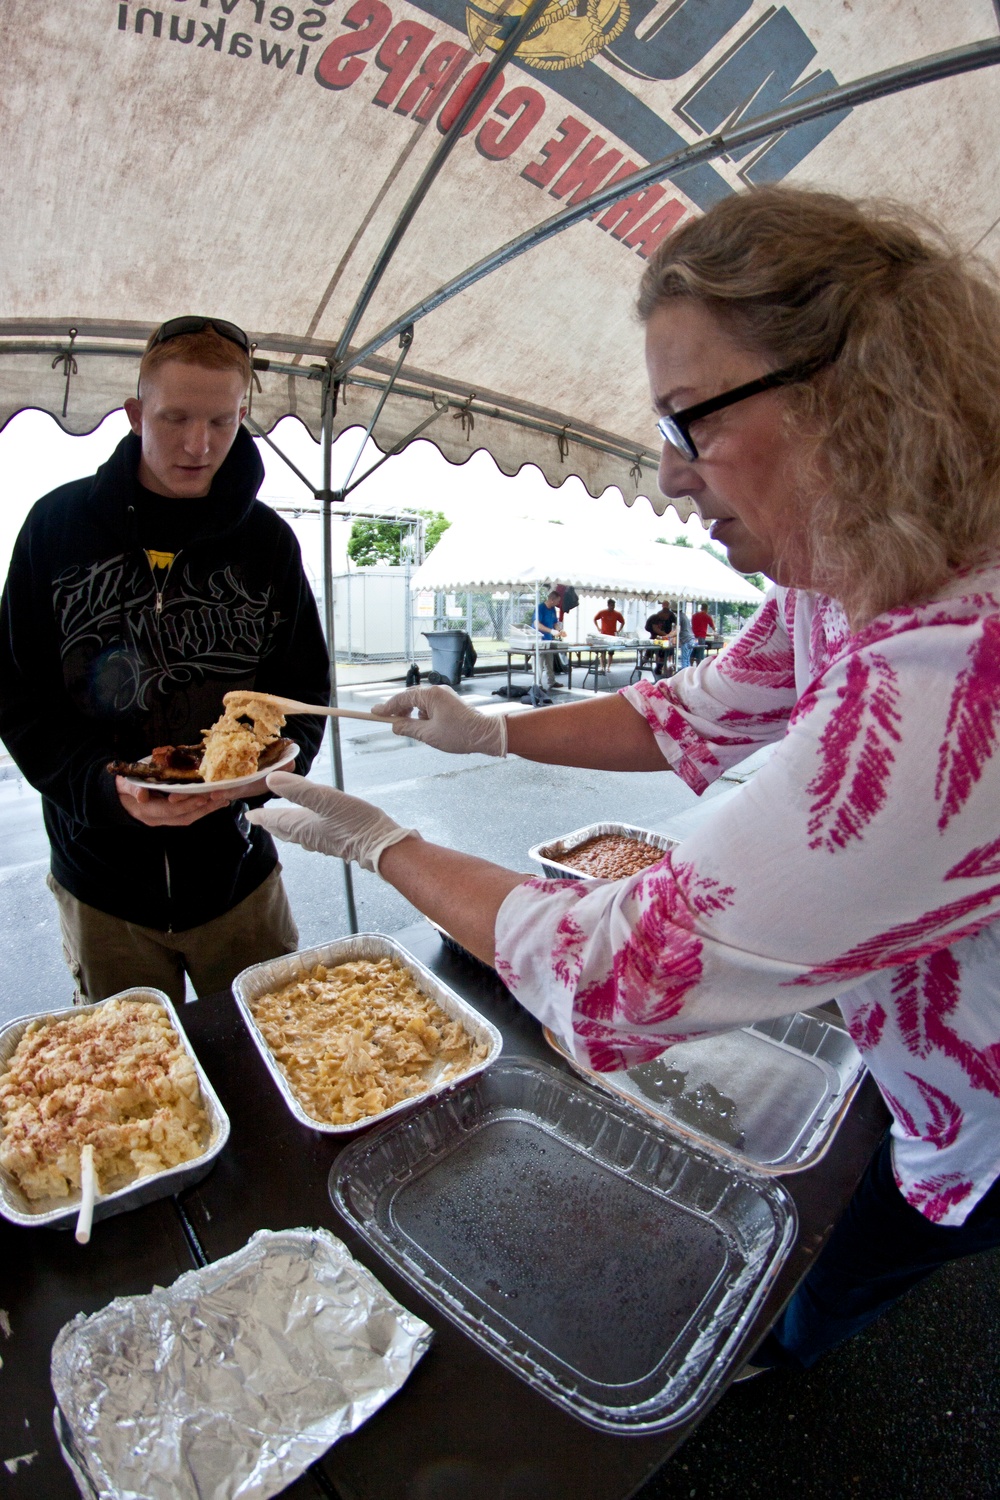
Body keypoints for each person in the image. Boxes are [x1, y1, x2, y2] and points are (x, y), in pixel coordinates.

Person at [249, 185, 1000, 1378]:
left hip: (978, 1109)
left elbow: (614, 973)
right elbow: (687, 712)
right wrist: (490, 733)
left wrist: (382, 842)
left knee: (891, 1246)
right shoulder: (840, 567)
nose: (669, 476)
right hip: (921, 1045)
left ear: (853, 394)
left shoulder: (952, 680)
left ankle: (784, 1364)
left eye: (689, 419)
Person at [0, 316, 329, 1005]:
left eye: (221, 420)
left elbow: (301, 694)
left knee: (276, 1061)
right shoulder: (54, 529)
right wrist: (99, 788)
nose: (198, 444)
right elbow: (17, 698)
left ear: (243, 414)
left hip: (237, 881)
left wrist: (261, 773)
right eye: (175, 417)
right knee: (138, 1092)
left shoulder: (268, 543)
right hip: (101, 890)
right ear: (133, 412)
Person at [532, 589, 565, 689]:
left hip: (548, 640)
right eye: (557, 601)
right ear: (551, 600)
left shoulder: (553, 609)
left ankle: (552, 681)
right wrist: (550, 631)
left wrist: (559, 629)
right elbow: (536, 624)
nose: (558, 603)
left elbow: (555, 622)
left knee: (550, 662)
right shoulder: (540, 608)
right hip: (539, 640)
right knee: (539, 663)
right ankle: (537, 684)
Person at [644, 598, 676, 676]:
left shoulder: (671, 615)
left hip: (665, 639)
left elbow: (676, 625)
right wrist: (665, 634)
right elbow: (656, 629)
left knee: (665, 651)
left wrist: (671, 635)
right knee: (651, 650)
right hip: (655, 637)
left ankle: (659, 667)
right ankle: (644, 661)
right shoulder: (656, 617)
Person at [592, 597, 624, 673]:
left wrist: (618, 630)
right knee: (602, 652)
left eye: (613, 605)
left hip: (612, 636)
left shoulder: (617, 614)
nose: (612, 607)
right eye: (611, 605)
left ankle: (608, 667)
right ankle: (602, 667)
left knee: (611, 653)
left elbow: (622, 622)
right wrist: (598, 628)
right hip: (603, 635)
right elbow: (595, 619)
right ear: (608, 605)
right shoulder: (602, 612)